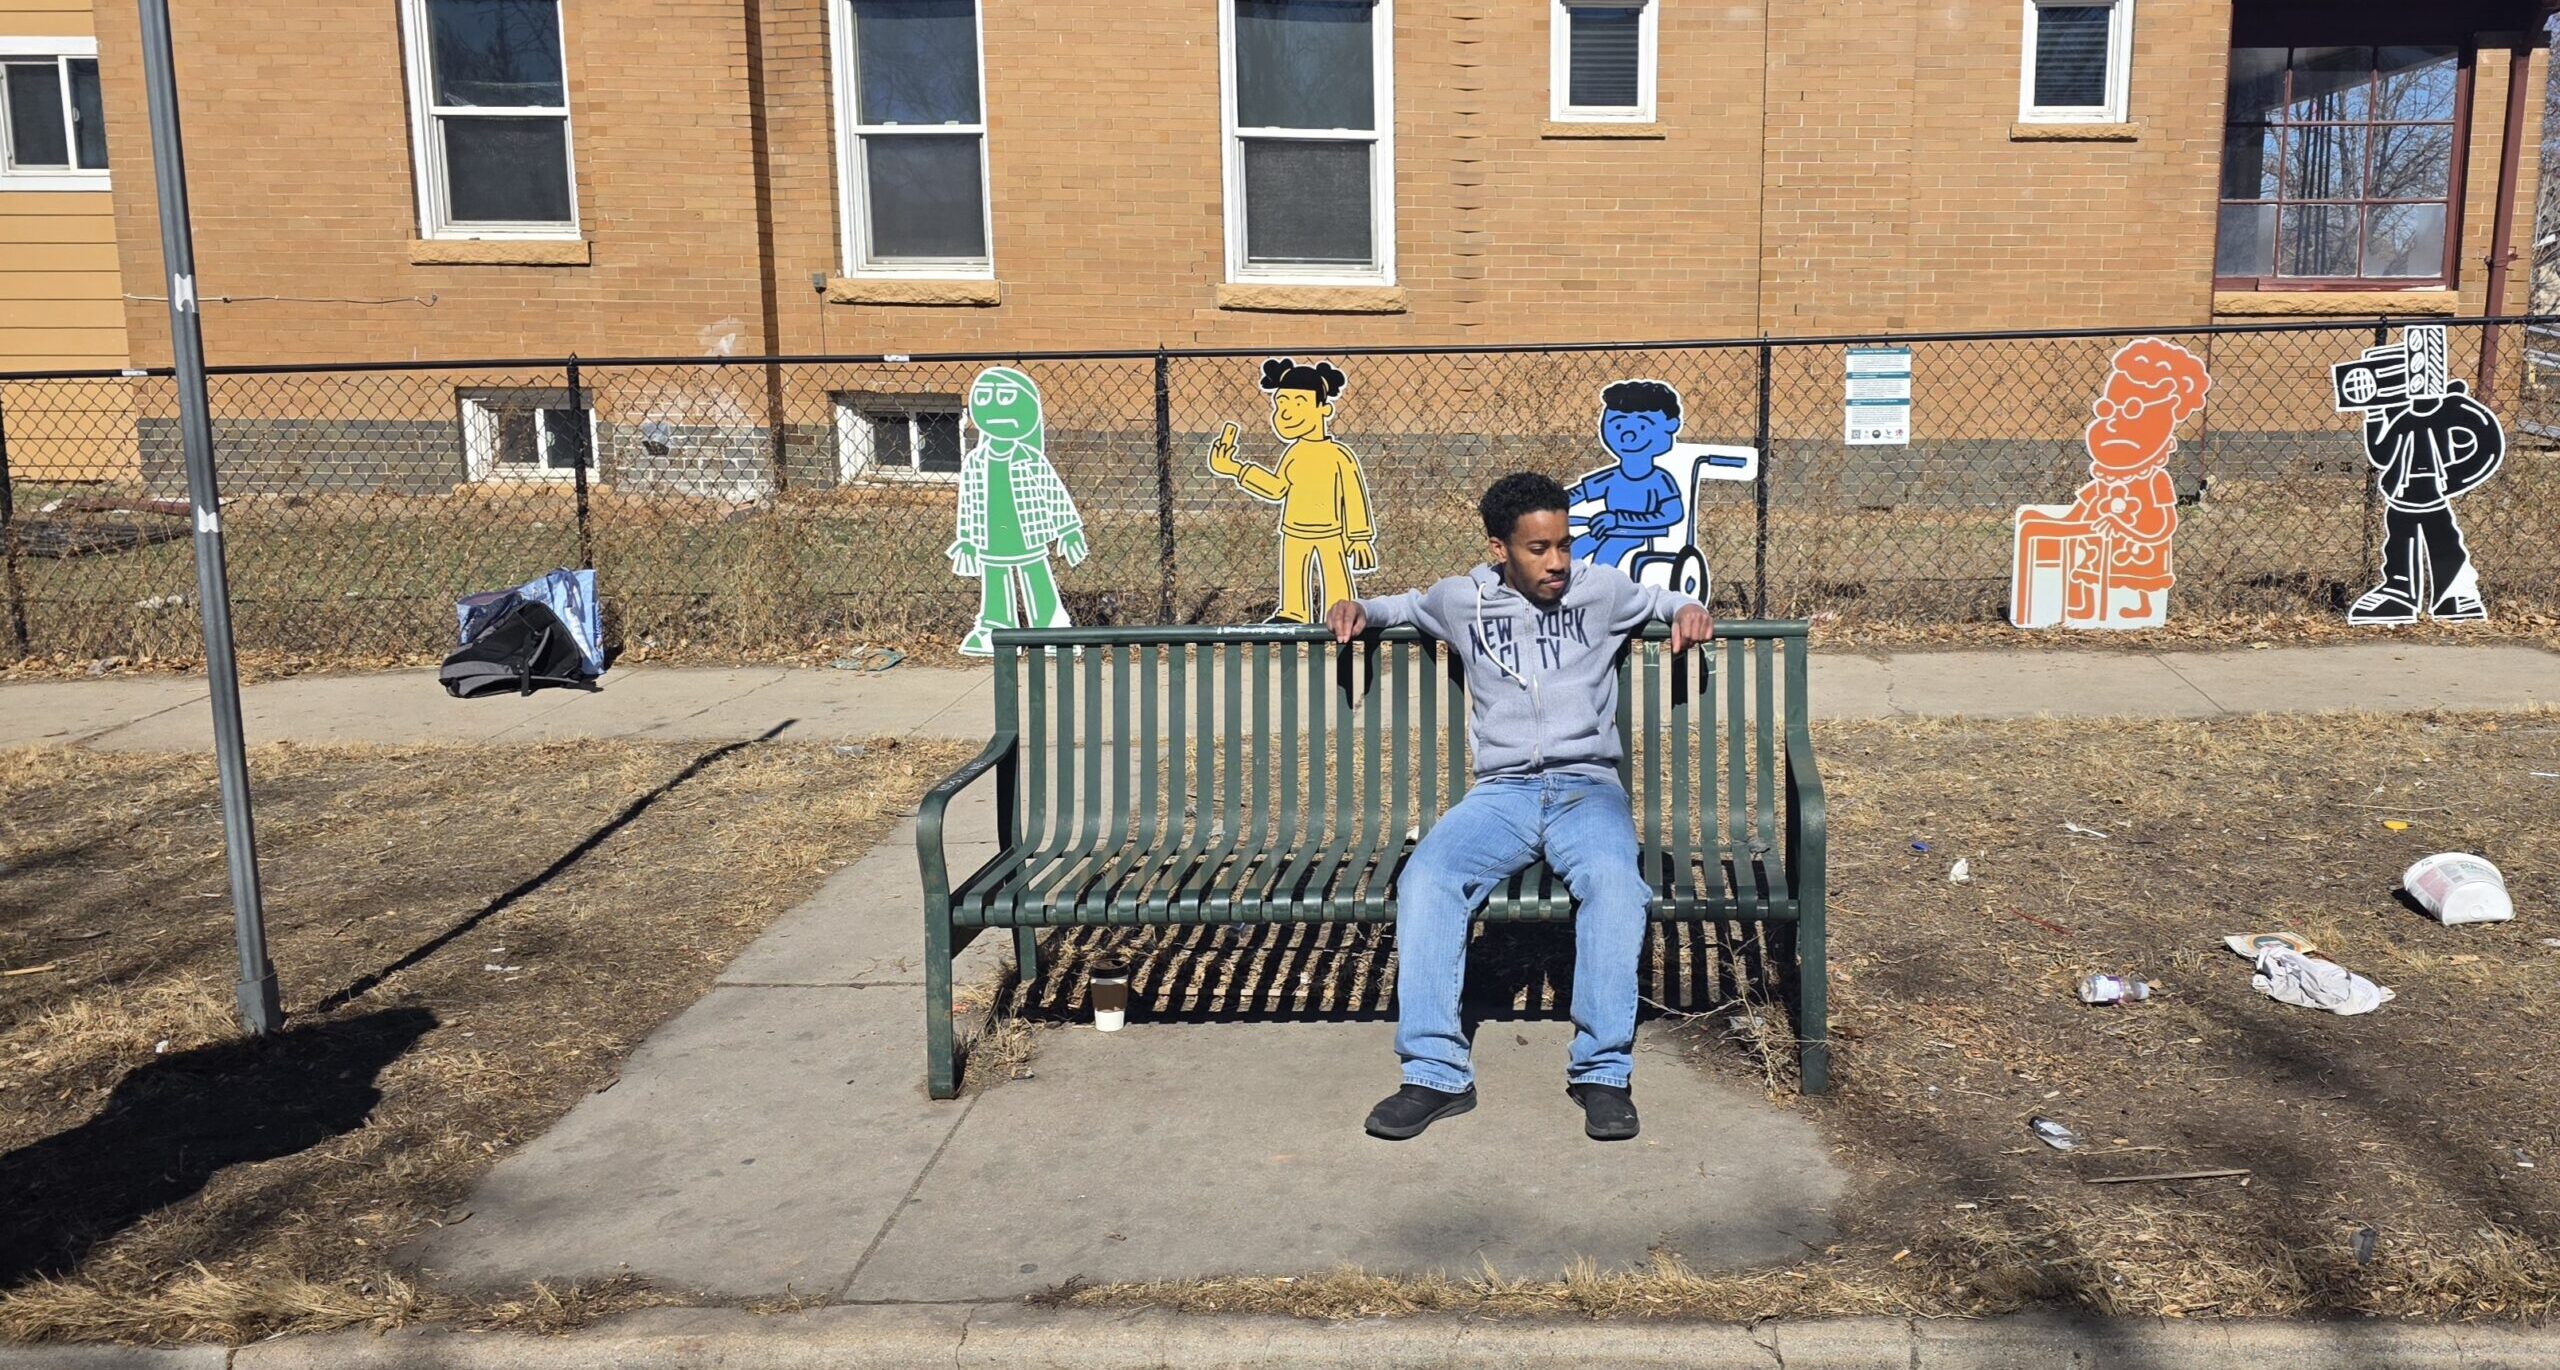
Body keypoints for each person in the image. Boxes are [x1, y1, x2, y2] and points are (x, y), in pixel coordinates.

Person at [1326, 472, 1714, 1142]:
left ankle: (1602, 1071)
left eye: (1563, 544)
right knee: (1428, 878)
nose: (1558, 561)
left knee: (1616, 886)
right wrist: (1355, 608)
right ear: (1500, 548)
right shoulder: (1461, 600)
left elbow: (1664, 598)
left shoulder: (1600, 592)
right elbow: (1402, 606)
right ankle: (1434, 1072)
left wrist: (1686, 611)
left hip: (1587, 789)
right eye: (1539, 548)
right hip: (1501, 794)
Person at [1207, 357, 1378, 623]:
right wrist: (1234, 468)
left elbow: (1353, 495)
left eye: (1299, 403)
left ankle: (1340, 613)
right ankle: (1293, 613)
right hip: (1294, 529)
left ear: (1324, 409)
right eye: (1281, 403)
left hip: (1330, 532)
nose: (1286, 412)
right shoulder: (1294, 454)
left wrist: (1359, 536)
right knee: (1293, 574)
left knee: (1335, 575)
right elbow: (1277, 489)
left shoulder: (1339, 455)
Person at [1567, 380, 1686, 570]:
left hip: (1635, 534)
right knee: (1573, 551)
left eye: (1642, 427)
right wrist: (1550, 505)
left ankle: (1604, 597)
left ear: (1671, 425)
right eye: (1618, 426)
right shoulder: (1611, 477)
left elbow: (1672, 513)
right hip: (1606, 529)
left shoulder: (1659, 480)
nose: (1628, 436)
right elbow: (1576, 494)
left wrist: (1619, 519)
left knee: (1605, 557)